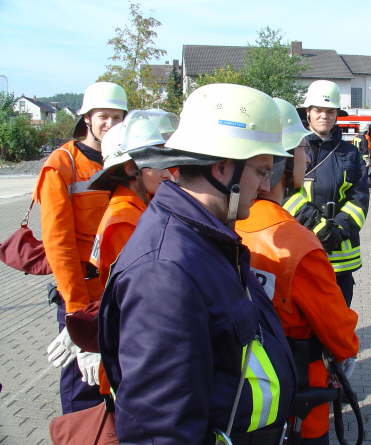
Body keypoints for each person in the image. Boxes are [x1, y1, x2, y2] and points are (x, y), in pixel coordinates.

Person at [98, 84, 296, 444]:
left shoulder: (206, 238)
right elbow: (159, 429)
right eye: (261, 171)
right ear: (222, 168)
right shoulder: (164, 271)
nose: (267, 186)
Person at [236, 98, 359, 445]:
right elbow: (338, 330)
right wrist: (347, 349)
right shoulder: (299, 246)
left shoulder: (228, 225)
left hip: (242, 395)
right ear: (283, 162)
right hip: (300, 394)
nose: (308, 154)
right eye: (302, 147)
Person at [70, 110, 176, 395]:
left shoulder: (136, 209)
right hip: (134, 353)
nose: (168, 169)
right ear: (131, 168)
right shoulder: (124, 222)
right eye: (158, 160)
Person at [41, 81, 127, 413]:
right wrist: (77, 312)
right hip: (83, 295)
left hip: (119, 293)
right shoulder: (62, 165)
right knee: (83, 387)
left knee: (117, 377)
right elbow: (58, 243)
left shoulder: (122, 161)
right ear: (87, 119)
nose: (110, 124)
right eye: (103, 116)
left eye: (117, 117)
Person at [284, 80, 369, 306]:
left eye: (330, 111)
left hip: (340, 258)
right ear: (308, 113)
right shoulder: (292, 147)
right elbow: (283, 192)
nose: (324, 116)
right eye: (318, 110)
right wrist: (316, 226)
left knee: (338, 325)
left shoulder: (349, 153)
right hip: (300, 251)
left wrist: (339, 230)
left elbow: (359, 198)